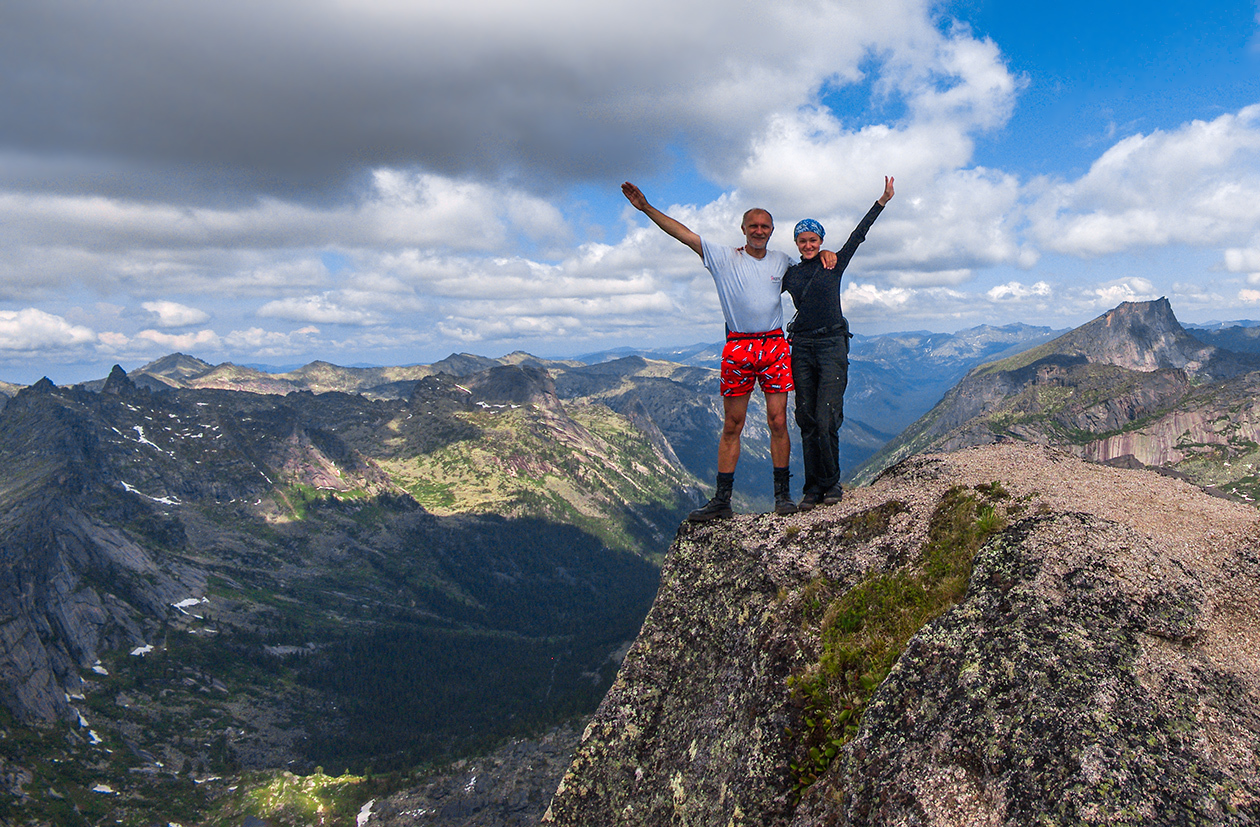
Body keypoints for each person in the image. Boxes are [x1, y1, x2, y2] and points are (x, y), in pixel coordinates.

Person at [621, 181, 836, 520]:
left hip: (775, 345)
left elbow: (810, 265)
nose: (759, 231)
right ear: (744, 229)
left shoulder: (781, 261)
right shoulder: (723, 257)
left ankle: (783, 497)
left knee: (778, 421)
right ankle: (722, 500)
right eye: (754, 226)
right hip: (739, 347)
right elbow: (684, 234)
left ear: (772, 231)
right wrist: (646, 208)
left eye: (765, 227)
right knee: (733, 424)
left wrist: (827, 253)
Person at [782, 176, 894, 510]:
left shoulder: (834, 262)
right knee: (807, 418)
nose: (807, 245)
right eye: (802, 241)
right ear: (797, 243)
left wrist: (882, 201)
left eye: (813, 239)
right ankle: (812, 487)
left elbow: (858, 236)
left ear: (821, 240)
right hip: (801, 347)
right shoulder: (790, 274)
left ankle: (831, 484)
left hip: (832, 345)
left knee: (827, 416)